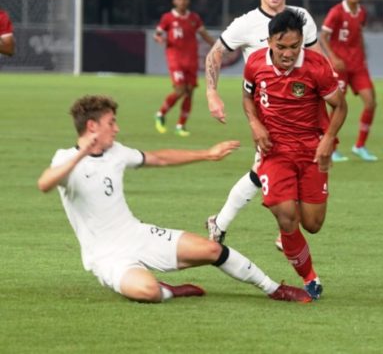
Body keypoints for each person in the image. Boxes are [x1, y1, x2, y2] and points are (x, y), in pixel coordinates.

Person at [37, 95, 312, 304]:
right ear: (92, 126)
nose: (117, 129)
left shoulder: (117, 152)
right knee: (148, 291)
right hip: (107, 256)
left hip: (137, 234)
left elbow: (159, 157)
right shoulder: (65, 159)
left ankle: (274, 288)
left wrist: (207, 153)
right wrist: (80, 154)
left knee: (212, 250)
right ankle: (168, 290)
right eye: (112, 123)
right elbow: (44, 183)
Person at [204, 0, 324, 248]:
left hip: (303, 110)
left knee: (264, 172)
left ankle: (220, 223)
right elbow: (214, 53)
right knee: (271, 168)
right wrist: (212, 93)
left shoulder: (301, 18)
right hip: (267, 112)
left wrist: (329, 82)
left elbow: (318, 57)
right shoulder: (246, 24)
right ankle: (284, 232)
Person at [243, 10, 347, 299]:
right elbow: (247, 98)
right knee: (287, 216)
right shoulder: (255, 63)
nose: (288, 53)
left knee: (312, 224)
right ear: (269, 42)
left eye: (294, 46)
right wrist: (255, 124)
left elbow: (340, 105)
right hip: (274, 151)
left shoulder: (316, 66)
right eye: (281, 46)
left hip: (312, 150)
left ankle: (290, 238)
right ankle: (310, 277)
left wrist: (328, 139)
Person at [320, 0, 378, 162]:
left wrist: (363, 57)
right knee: (338, 105)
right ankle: (332, 146)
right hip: (340, 67)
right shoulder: (336, 11)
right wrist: (333, 58)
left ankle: (359, 146)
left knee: (370, 102)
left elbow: (358, 34)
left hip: (358, 66)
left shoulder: (362, 12)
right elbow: (323, 37)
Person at [154, 0, 215, 137]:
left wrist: (218, 46)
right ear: (174, 1)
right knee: (180, 90)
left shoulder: (194, 18)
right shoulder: (167, 17)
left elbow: (204, 34)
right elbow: (158, 33)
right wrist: (159, 38)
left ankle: (181, 125)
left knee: (189, 92)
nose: (182, 1)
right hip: (175, 59)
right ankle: (160, 113)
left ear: (188, 1)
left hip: (191, 60)